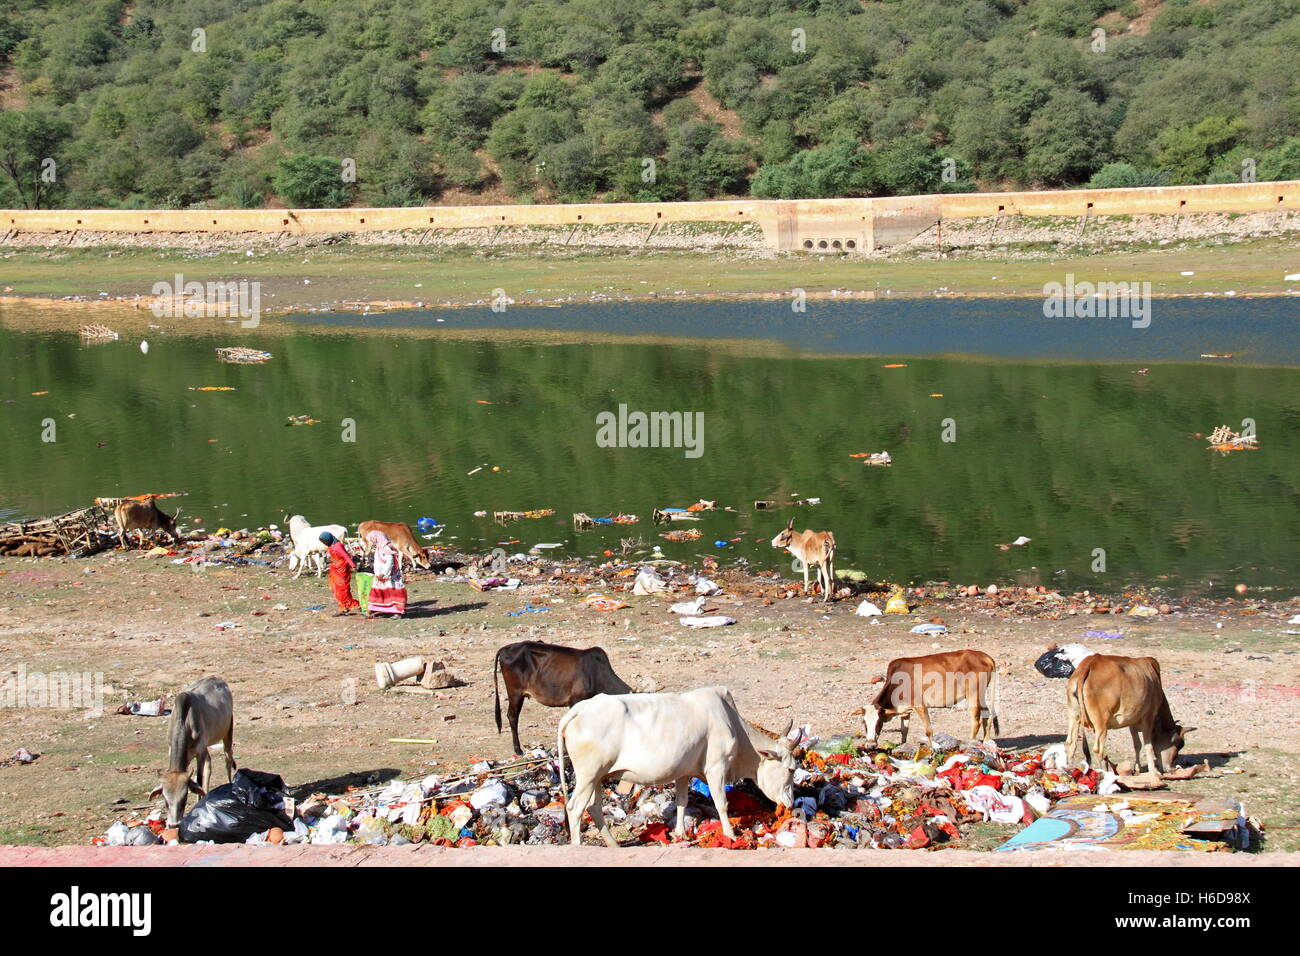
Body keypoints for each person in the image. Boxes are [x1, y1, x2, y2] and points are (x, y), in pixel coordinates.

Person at [366, 529, 407, 618]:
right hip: (381, 575)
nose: (372, 542)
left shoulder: (385, 548)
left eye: (372, 539)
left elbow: (390, 561)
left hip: (388, 576)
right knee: (377, 592)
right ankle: (371, 611)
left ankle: (397, 612)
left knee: (393, 593)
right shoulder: (379, 547)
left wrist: (383, 574)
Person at [320, 532, 360, 616]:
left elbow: (346, 556)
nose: (324, 543)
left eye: (324, 541)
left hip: (342, 569)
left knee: (343, 588)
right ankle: (344, 606)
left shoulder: (338, 545)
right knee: (336, 588)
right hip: (335, 569)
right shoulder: (331, 545)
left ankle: (351, 605)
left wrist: (353, 565)